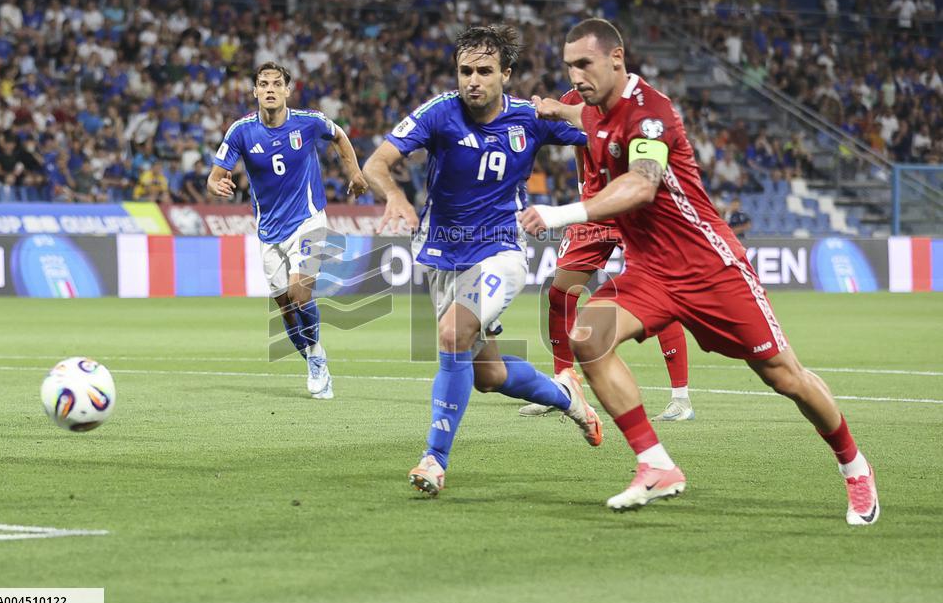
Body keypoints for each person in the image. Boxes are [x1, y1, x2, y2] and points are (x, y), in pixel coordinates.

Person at [522, 18, 878, 526]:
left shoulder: (651, 114)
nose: (575, 75)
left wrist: (561, 213)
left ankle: (855, 466)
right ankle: (655, 463)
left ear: (617, 59)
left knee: (785, 378)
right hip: (651, 271)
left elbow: (642, 185)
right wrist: (555, 107)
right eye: (568, 66)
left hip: (710, 268)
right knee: (588, 337)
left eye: (584, 63)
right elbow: (582, 116)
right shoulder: (597, 112)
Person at [362, 25, 602, 497]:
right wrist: (393, 196)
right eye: (465, 71)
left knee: (452, 332)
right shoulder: (439, 112)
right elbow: (376, 163)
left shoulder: (528, 119)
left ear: (505, 74)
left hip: (500, 251)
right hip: (440, 254)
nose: (473, 80)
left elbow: (603, 129)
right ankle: (568, 399)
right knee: (488, 375)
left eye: (485, 71)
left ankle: (435, 458)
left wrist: (574, 110)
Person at [518, 87, 694, 422]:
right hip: (593, 209)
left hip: (632, 206)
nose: (580, 73)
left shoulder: (633, 102)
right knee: (559, 293)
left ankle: (680, 398)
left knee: (657, 295)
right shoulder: (570, 100)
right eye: (574, 66)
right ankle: (563, 386)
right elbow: (568, 140)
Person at [207, 62, 368, 400]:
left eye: (276, 83)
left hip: (308, 221)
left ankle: (317, 359)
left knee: (300, 295)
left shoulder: (308, 123)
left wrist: (353, 172)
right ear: (254, 91)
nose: (269, 88)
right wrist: (216, 185)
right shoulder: (241, 131)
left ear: (286, 90)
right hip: (268, 230)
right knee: (285, 308)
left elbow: (339, 136)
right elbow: (215, 174)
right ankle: (312, 355)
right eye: (263, 83)